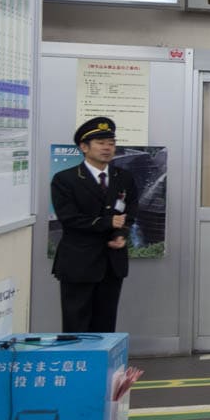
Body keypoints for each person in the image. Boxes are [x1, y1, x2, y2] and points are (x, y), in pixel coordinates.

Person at [51, 116, 138, 332]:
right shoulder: (66, 179)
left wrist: (121, 235)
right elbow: (68, 218)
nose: (107, 148)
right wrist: (107, 222)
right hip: (79, 262)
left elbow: (131, 211)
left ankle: (104, 366)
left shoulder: (123, 177)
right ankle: (80, 364)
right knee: (76, 323)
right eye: (100, 143)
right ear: (84, 147)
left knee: (106, 323)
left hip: (112, 263)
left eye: (111, 143)